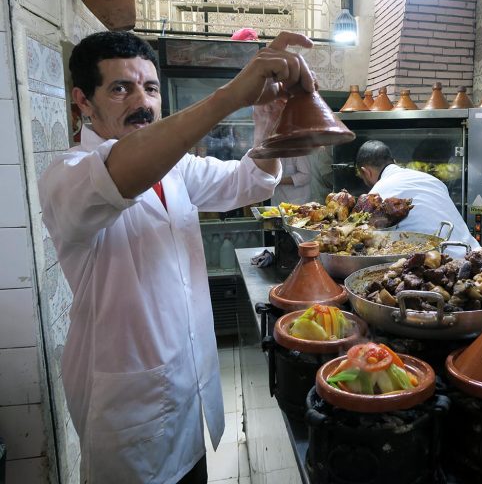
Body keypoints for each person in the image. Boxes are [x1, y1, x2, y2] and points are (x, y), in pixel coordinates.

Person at [38, 30, 315, 483]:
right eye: (120, 88)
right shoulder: (66, 176)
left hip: (185, 393)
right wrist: (230, 95)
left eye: (150, 88)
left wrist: (267, 118)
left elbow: (249, 181)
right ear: (83, 102)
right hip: (129, 408)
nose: (142, 102)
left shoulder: (176, 170)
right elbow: (119, 174)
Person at [354, 140, 481, 255]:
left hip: (439, 262)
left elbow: (363, 237)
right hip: (474, 254)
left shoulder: (377, 195)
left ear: (365, 172)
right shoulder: (432, 179)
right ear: (394, 161)